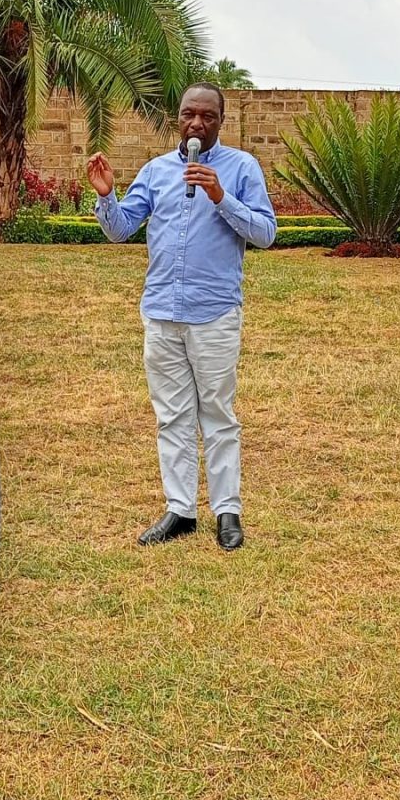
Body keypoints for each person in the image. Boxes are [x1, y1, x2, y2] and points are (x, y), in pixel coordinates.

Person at [87, 84, 276, 550]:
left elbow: (266, 233)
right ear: (178, 117)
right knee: (172, 416)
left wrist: (221, 196)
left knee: (218, 414)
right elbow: (121, 229)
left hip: (214, 313)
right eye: (189, 114)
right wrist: (107, 197)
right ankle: (180, 510)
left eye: (207, 116)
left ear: (221, 121)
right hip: (161, 313)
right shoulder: (156, 171)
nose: (196, 124)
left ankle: (227, 511)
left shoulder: (242, 168)